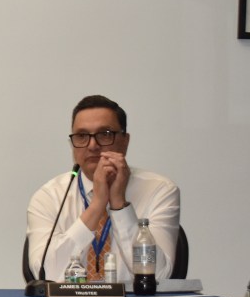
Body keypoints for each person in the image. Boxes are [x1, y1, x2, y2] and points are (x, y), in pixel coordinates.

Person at [26, 95, 180, 283]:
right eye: (82, 136)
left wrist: (119, 205)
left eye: (104, 134)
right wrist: (97, 204)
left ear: (125, 141)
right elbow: (45, 274)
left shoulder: (159, 191)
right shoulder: (49, 196)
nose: (92, 145)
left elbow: (159, 276)